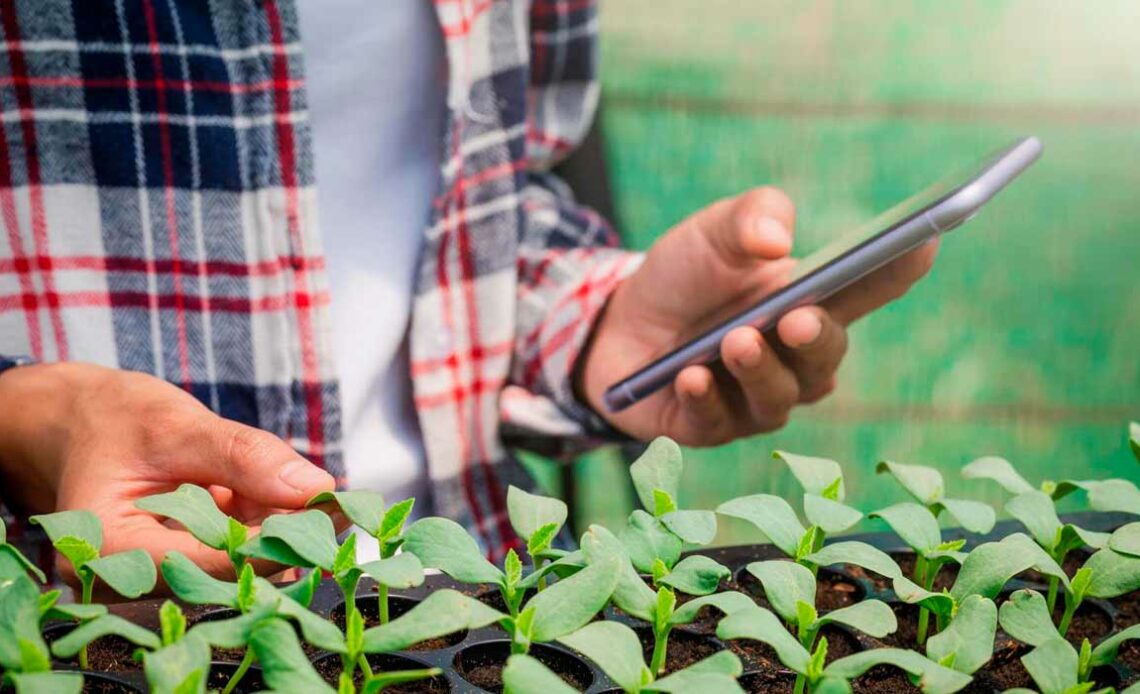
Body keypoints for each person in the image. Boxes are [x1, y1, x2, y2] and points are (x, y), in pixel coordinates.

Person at [0, 0, 935, 579]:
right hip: (75, 619)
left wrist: (595, 321)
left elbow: (491, 196)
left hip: (462, 595)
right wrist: (26, 418)